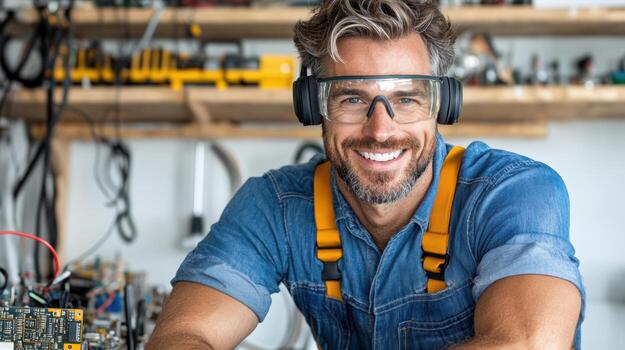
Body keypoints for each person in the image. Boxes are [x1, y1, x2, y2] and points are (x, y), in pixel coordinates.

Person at [146, 1, 584, 349]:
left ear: (442, 107)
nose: (380, 130)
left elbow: (530, 342)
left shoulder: (513, 193)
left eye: (407, 99)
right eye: (352, 99)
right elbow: (181, 337)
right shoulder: (274, 207)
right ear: (311, 107)